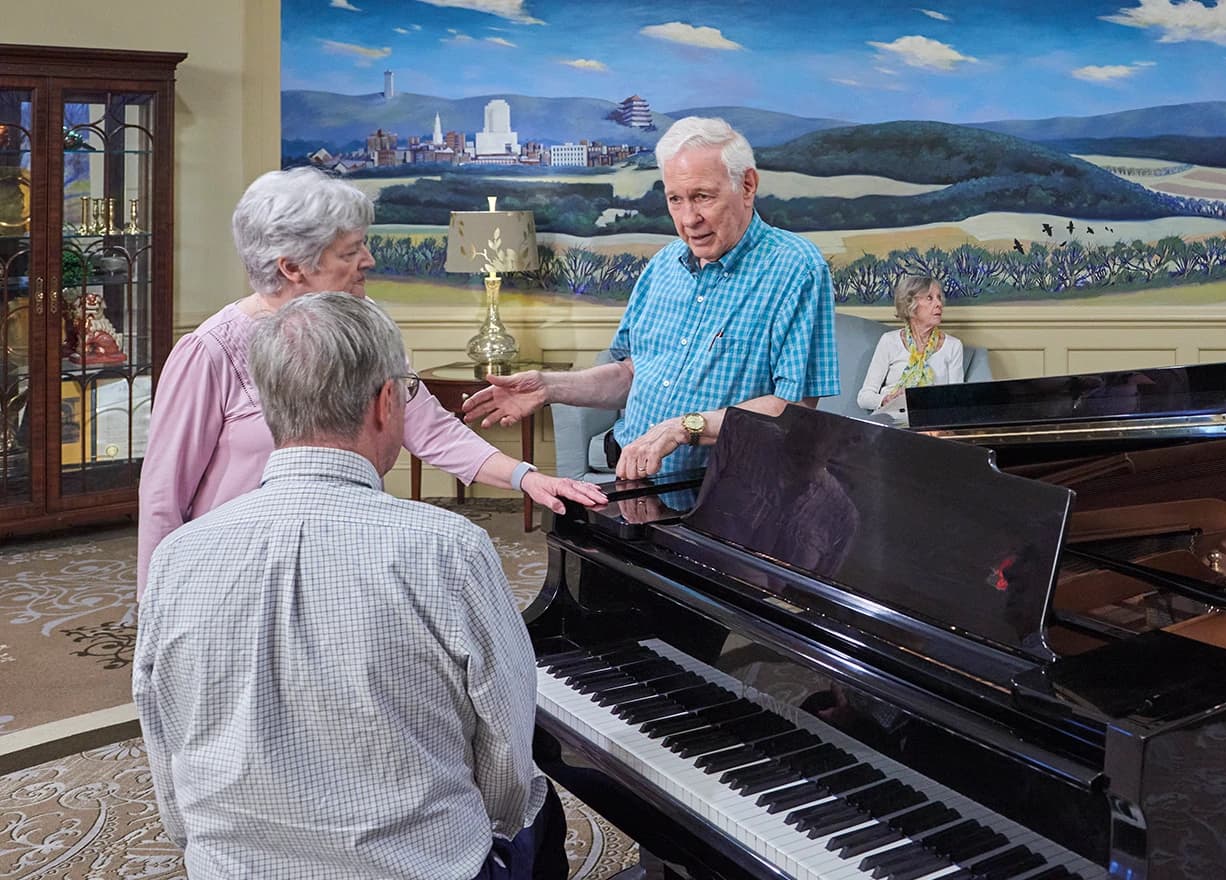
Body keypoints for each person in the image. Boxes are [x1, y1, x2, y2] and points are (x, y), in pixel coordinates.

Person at [134, 292, 565, 879]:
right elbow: (508, 759)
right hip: (425, 868)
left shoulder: (175, 558)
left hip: (231, 869)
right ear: (388, 402)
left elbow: (162, 737)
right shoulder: (450, 549)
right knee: (547, 816)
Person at [136, 168, 604, 597]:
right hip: (235, 577)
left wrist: (527, 478)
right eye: (350, 250)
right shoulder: (210, 351)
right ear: (291, 267)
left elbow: (429, 427)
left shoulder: (371, 325)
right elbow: (163, 497)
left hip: (344, 564)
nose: (370, 258)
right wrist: (157, 606)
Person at [463, 117, 838, 480]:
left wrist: (684, 428)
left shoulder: (796, 268)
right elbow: (631, 372)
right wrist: (550, 387)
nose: (689, 218)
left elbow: (793, 408)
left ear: (747, 185)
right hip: (635, 483)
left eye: (702, 197)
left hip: (729, 495)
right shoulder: (663, 266)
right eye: (675, 199)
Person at [856, 274, 964, 422]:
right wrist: (887, 399)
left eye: (939, 297)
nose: (939, 304)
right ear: (910, 304)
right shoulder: (889, 341)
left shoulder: (953, 346)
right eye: (929, 298)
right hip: (891, 419)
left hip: (932, 422)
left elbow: (956, 400)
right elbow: (864, 397)